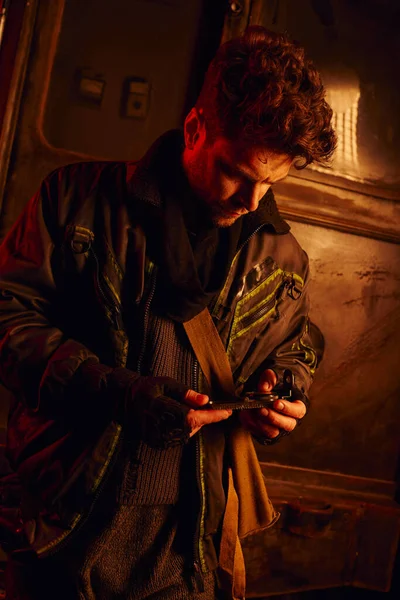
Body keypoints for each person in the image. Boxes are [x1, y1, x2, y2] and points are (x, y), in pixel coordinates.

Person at [0, 25, 336, 600]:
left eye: (271, 184)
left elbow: (300, 339)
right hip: (58, 522)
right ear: (194, 129)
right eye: (238, 172)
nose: (252, 203)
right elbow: (9, 317)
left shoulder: (280, 252)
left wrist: (284, 391)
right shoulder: (74, 199)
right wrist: (116, 393)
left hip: (186, 545)